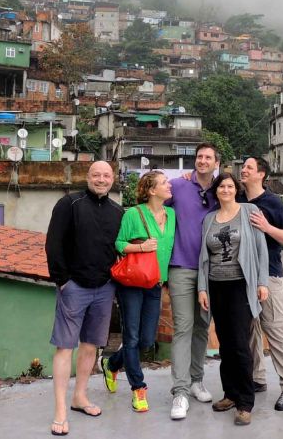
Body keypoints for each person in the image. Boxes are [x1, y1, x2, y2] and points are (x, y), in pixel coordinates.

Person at [45, 161, 124, 436]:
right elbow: (53, 244)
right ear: (87, 177)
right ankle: (60, 411)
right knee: (65, 347)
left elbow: (121, 248)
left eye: (106, 176)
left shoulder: (117, 211)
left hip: (104, 287)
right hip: (74, 287)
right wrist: (62, 281)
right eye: (96, 175)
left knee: (91, 346)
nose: (101, 180)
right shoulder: (69, 204)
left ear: (112, 179)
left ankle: (79, 396)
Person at [197, 172, 269, 426]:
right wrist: (202, 288)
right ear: (215, 191)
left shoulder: (249, 211)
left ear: (235, 189)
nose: (225, 190)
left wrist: (262, 282)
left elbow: (261, 248)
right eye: (221, 186)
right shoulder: (208, 220)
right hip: (216, 285)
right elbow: (203, 257)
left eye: (230, 186)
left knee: (240, 343)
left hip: (241, 285)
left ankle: (245, 402)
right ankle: (229, 393)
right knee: (225, 344)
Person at [102, 171, 176, 413]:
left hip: (155, 283)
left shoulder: (171, 214)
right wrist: (141, 247)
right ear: (152, 190)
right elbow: (119, 244)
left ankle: (112, 364)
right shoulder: (133, 214)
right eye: (164, 183)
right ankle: (138, 388)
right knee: (131, 338)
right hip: (132, 284)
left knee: (146, 340)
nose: (169, 185)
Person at [239, 157, 283, 411]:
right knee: (250, 332)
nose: (243, 170)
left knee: (276, 331)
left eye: (249, 168)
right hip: (243, 276)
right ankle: (258, 378)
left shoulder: (272, 202)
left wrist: (266, 226)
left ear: (261, 174)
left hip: (270, 276)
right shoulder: (239, 202)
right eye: (242, 167)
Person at [165, 143, 220, 420]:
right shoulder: (177, 185)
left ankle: (197, 379)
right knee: (183, 327)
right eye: (199, 157)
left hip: (210, 271)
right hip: (181, 267)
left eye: (208, 157)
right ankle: (180, 391)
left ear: (216, 163)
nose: (202, 161)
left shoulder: (220, 191)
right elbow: (152, 200)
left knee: (202, 327)